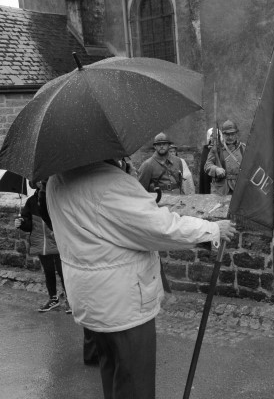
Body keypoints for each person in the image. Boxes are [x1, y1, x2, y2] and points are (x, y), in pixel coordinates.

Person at [46, 159, 237, 399]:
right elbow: (159, 227)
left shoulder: (57, 178)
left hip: (90, 295)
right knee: (135, 382)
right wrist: (211, 230)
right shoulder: (109, 183)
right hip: (123, 301)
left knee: (112, 369)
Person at [15, 180, 70, 313]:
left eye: (42, 179)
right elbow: (28, 225)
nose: (39, 182)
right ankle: (53, 298)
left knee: (63, 272)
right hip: (41, 241)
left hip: (57, 240)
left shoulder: (56, 196)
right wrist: (21, 223)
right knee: (48, 271)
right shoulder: (31, 201)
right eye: (37, 180)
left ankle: (70, 299)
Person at [204, 120, 245, 196]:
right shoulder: (216, 149)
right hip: (221, 189)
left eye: (232, 134)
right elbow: (207, 165)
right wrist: (216, 169)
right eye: (227, 134)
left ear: (236, 134)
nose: (230, 137)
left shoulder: (243, 148)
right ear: (223, 134)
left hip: (239, 188)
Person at [198, 128, 215, 194]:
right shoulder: (206, 149)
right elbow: (204, 166)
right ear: (209, 137)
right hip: (208, 178)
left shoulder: (223, 149)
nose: (214, 137)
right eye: (212, 135)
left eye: (216, 135)